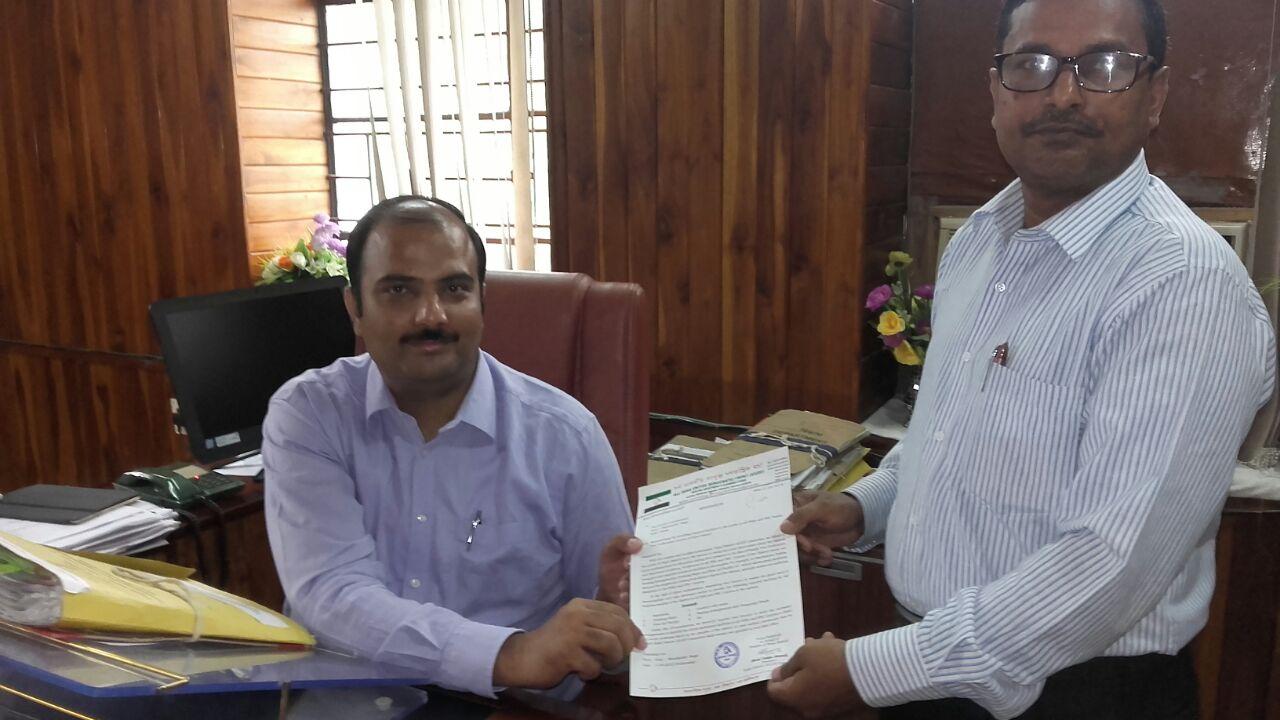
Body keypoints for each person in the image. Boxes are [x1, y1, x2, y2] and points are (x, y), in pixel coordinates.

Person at [766, 0, 1276, 718]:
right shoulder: (981, 240)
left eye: (1103, 65)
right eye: (1032, 64)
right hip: (940, 665)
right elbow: (947, 436)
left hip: (1081, 693)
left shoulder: (1180, 283)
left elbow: (1110, 564)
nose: (1063, 95)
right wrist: (861, 508)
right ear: (996, 90)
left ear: (1155, 94)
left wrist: (871, 670)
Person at [262, 195, 643, 699]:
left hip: (510, 709)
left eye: (454, 289)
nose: (431, 314)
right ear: (355, 308)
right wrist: (509, 654)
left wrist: (617, 616)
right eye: (399, 290)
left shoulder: (566, 435)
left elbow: (613, 621)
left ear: (481, 301)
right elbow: (331, 593)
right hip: (350, 698)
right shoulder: (310, 413)